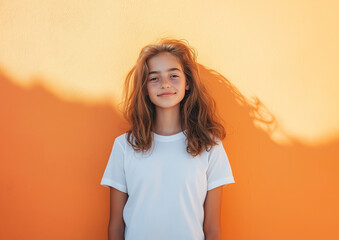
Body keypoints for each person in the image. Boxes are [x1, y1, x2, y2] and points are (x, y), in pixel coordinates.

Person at [100, 38, 235, 240]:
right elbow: (116, 227)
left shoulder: (210, 146)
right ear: (145, 87)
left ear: (187, 82)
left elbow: (212, 228)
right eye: (154, 78)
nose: (165, 84)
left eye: (173, 75)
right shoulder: (124, 146)